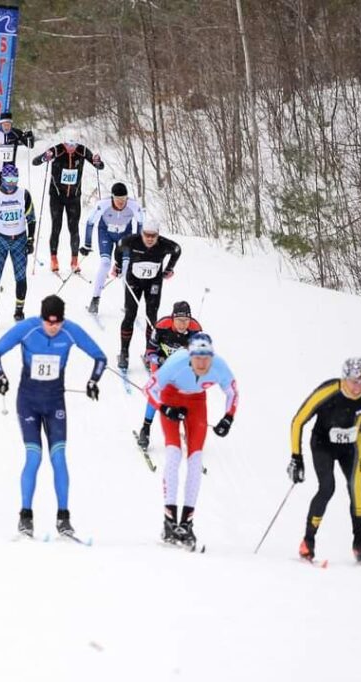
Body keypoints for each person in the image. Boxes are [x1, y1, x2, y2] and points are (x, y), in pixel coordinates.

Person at [0, 295, 105, 537]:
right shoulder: (28, 329)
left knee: (59, 458)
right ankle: (25, 516)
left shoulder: (70, 331)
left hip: (54, 402)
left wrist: (93, 381)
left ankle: (63, 518)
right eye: (49, 322)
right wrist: (1, 377)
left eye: (58, 322)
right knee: (34, 458)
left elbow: (100, 357)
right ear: (41, 318)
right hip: (28, 401)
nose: (53, 327)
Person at [288, 357, 361, 563]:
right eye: (354, 382)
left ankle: (359, 544)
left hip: (352, 445)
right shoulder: (328, 392)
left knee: (356, 489)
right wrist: (296, 457)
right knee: (327, 488)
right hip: (323, 444)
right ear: (344, 379)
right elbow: (298, 420)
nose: (358, 387)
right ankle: (308, 542)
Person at [146, 333, 238, 549]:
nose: (202, 363)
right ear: (190, 356)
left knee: (196, 460)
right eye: (197, 358)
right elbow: (149, 388)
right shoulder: (177, 362)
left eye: (207, 358)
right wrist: (164, 407)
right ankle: (169, 521)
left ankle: (186, 523)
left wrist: (229, 417)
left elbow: (232, 391)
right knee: (174, 455)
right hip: (171, 396)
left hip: (197, 403)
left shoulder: (219, 366)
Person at [112, 218, 181, 371]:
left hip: (153, 284)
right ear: (142, 233)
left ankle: (149, 354)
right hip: (133, 282)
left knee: (152, 317)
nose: (149, 239)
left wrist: (169, 269)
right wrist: (117, 265)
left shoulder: (164, 244)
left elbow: (177, 250)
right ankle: (124, 353)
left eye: (153, 236)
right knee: (130, 315)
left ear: (158, 235)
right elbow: (119, 247)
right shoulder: (133, 241)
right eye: (146, 235)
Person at [136, 301, 203, 449]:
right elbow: (149, 353)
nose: (182, 324)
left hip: (182, 366)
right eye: (179, 320)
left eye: (186, 321)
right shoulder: (162, 326)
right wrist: (160, 359)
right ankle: (145, 428)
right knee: (157, 391)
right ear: (173, 318)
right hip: (160, 362)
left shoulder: (196, 331)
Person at [32, 140, 104, 273]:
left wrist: (97, 161)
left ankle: (74, 261)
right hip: (57, 196)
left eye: (74, 145)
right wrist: (44, 158)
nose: (71, 148)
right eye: (68, 145)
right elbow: (35, 162)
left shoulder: (82, 150)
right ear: (64, 143)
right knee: (56, 226)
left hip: (74, 197)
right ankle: (54, 259)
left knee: (74, 228)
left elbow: (99, 166)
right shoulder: (57, 149)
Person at [0, 164, 36, 325]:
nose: (12, 183)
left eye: (14, 179)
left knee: (20, 277)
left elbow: (31, 218)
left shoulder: (24, 194)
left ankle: (19, 310)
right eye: (8, 179)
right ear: (2, 179)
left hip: (19, 239)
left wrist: (31, 239)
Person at [82, 182, 145, 314]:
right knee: (105, 264)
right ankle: (95, 300)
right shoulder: (103, 204)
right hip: (106, 233)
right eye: (118, 199)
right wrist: (87, 244)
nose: (121, 202)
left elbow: (141, 223)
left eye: (124, 199)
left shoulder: (133, 205)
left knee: (127, 267)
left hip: (125, 235)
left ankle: (129, 304)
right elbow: (90, 222)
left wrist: (139, 244)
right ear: (112, 198)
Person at [0, 111, 34, 188]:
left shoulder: (16, 133)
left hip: (11, 171)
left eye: (8, 125)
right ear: (1, 124)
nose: (7, 127)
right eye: (5, 125)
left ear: (11, 124)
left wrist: (30, 137)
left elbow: (30, 145)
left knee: (10, 192)